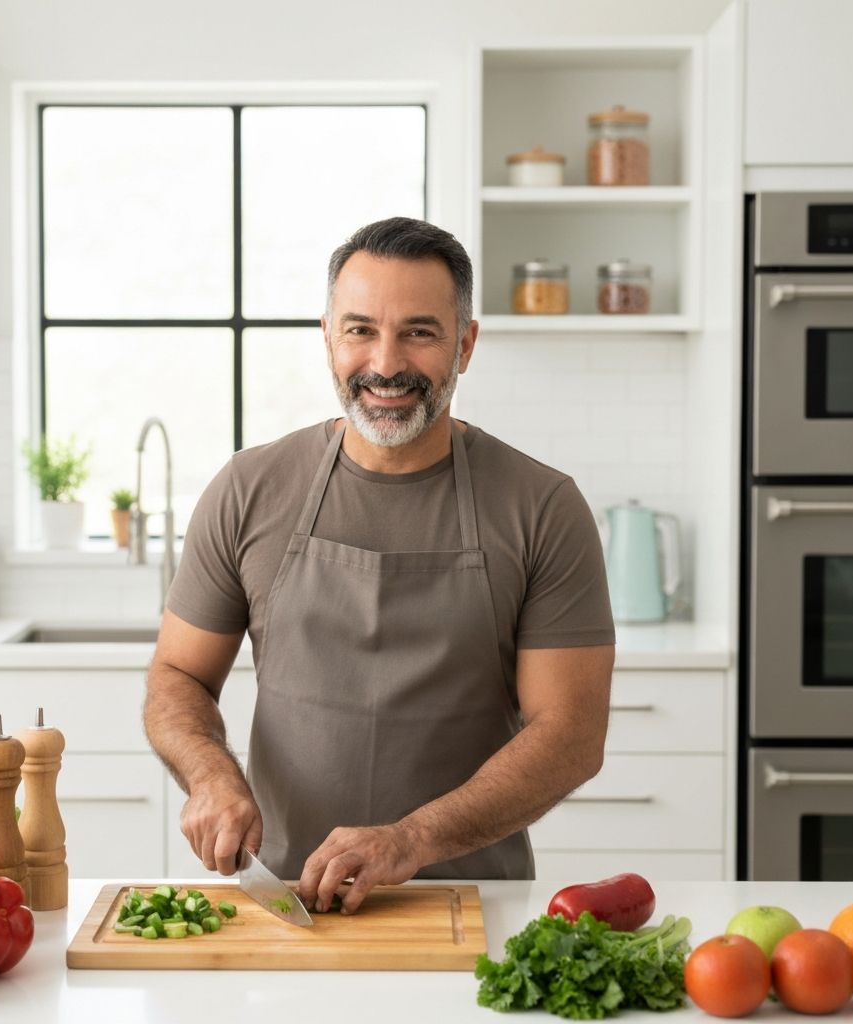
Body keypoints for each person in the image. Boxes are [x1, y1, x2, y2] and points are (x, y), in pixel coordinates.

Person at [144, 216, 615, 914]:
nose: (386, 363)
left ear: (466, 344)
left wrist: (413, 838)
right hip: (283, 902)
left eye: (419, 332)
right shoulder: (249, 489)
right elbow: (177, 675)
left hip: (470, 903)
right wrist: (210, 776)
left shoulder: (542, 506)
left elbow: (571, 735)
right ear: (329, 338)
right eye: (360, 329)